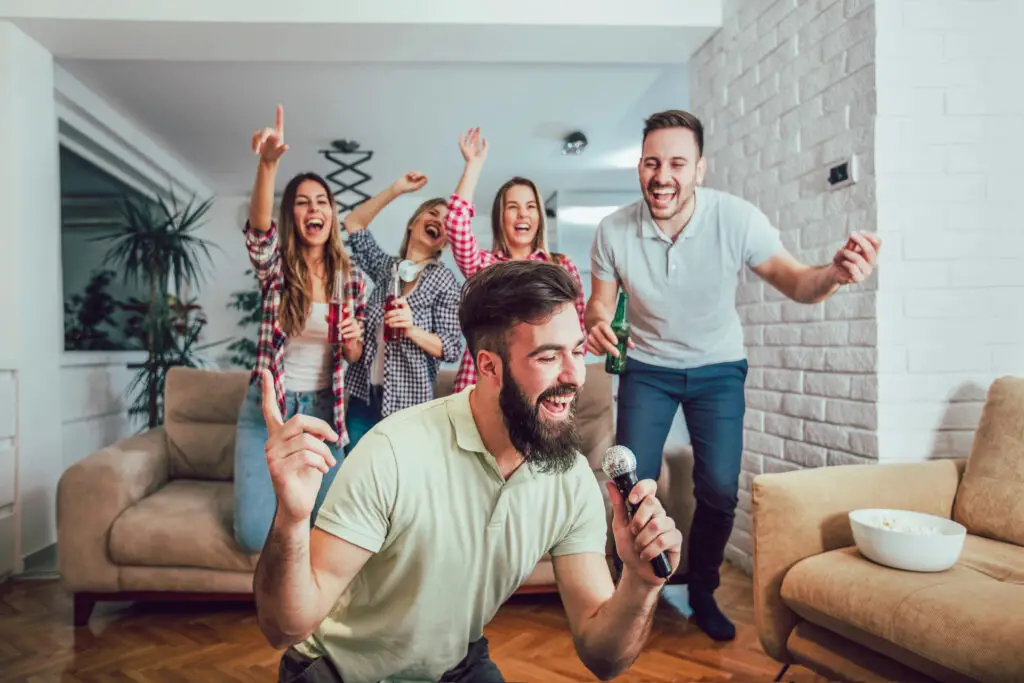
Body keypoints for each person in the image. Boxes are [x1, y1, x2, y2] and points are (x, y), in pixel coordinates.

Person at [253, 260, 683, 683]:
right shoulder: (394, 451)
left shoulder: (570, 478)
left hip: (450, 665)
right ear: (489, 367)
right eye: (548, 357)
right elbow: (285, 628)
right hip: (341, 669)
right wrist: (291, 520)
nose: (574, 376)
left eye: (577, 352)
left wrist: (639, 584)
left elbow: (603, 658)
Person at [585, 109, 882, 642]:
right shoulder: (612, 230)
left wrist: (834, 273)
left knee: (719, 490)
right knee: (631, 486)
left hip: (718, 369)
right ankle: (631, 590)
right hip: (647, 371)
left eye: (677, 162)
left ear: (700, 168)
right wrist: (598, 324)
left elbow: (797, 282)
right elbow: (599, 307)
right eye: (652, 163)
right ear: (639, 168)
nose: (663, 175)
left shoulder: (737, 218)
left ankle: (701, 591)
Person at [233, 105, 367, 555]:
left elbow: (353, 356)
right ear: (292, 215)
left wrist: (352, 343)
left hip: (326, 414)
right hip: (269, 411)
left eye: (322, 201)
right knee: (252, 535)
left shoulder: (352, 279)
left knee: (332, 526)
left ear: (331, 213)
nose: (314, 209)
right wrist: (268, 164)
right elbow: (258, 232)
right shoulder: (276, 270)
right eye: (302, 202)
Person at [443, 127, 587, 394]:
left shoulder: (561, 267)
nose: (523, 214)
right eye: (513, 207)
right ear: (501, 217)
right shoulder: (485, 268)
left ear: (540, 216)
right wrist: (473, 166)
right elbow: (455, 223)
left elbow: (579, 338)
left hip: (541, 388)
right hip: (483, 385)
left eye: (530, 206)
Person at [340, 170, 465, 449]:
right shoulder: (386, 269)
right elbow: (353, 223)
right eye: (432, 213)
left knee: (399, 486)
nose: (438, 221)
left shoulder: (443, 280)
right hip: (364, 398)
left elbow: (451, 347)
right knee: (356, 479)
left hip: (410, 406)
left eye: (446, 222)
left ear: (445, 241)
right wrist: (396, 189)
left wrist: (410, 329)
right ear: (413, 224)